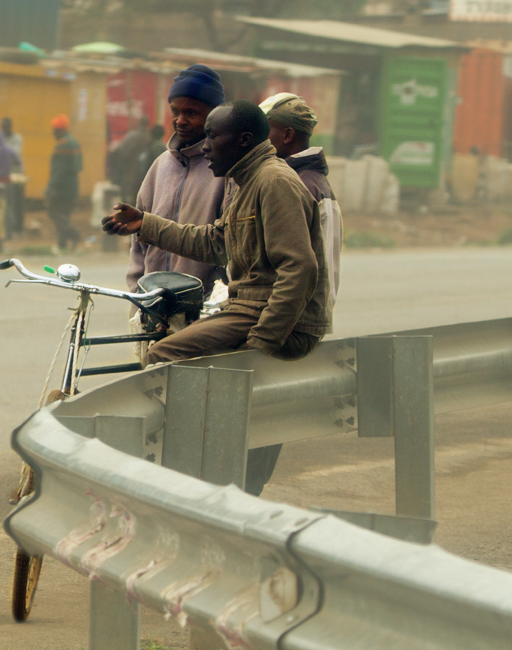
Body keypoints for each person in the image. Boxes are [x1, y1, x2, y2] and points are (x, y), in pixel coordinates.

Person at [103, 100, 334, 496]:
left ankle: (189, 465)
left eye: (212, 135)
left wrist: (261, 344)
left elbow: (300, 268)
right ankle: (204, 461)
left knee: (165, 356)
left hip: (271, 317)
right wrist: (147, 224)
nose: (204, 145)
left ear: (243, 140)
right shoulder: (248, 182)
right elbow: (214, 241)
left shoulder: (273, 182)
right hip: (247, 309)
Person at [127, 65, 228, 299]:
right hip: (151, 305)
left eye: (191, 113)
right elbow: (138, 244)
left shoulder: (226, 172)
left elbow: (227, 247)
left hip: (203, 312)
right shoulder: (160, 166)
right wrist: (137, 295)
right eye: (175, 111)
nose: (180, 120)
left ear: (213, 116)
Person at [260, 93, 342, 308]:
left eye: (264, 132)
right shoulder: (280, 179)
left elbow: (322, 272)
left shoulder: (307, 186)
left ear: (287, 135)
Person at [46, 114, 83, 251]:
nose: (53, 132)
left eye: (54, 129)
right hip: (73, 186)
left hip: (61, 188)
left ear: (59, 130)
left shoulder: (62, 145)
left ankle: (74, 234)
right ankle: (62, 243)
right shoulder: (74, 142)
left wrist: (51, 188)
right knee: (65, 214)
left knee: (54, 212)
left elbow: (59, 171)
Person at [111, 114, 151, 202]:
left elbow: (122, 152)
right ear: (148, 123)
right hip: (147, 172)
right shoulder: (150, 136)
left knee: (130, 197)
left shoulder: (132, 136)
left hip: (131, 171)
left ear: (138, 123)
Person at [1, 117, 26, 238]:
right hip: (7, 175)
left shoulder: (17, 138)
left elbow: (15, 154)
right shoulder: (1, 139)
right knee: (9, 202)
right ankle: (9, 228)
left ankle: (19, 229)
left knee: (18, 202)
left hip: (18, 174)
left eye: (5, 127)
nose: (4, 130)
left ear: (10, 127)